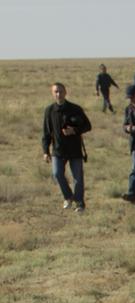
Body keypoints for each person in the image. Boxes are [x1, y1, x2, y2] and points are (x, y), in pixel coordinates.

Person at [42, 83, 91, 212]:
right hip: (58, 150)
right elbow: (46, 133)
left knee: (78, 177)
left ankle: (80, 203)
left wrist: (74, 130)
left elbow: (87, 126)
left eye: (61, 91)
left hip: (74, 149)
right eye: (56, 92)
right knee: (57, 174)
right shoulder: (49, 111)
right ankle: (68, 197)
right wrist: (45, 151)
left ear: (65, 92)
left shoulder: (75, 109)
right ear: (53, 93)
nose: (58, 94)